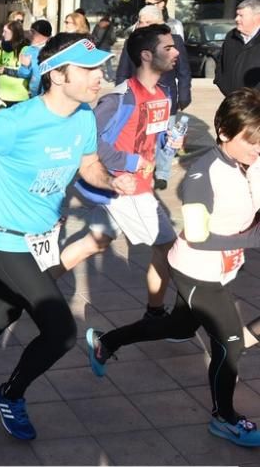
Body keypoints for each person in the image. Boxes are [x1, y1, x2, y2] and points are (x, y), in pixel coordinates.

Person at [0, 34, 135, 440]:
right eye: (89, 69)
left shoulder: (82, 117)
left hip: (44, 238)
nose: (100, 77)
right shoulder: (14, 122)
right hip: (6, 238)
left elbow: (89, 167)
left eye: (99, 68)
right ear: (57, 74)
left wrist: (115, 180)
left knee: (5, 310)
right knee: (60, 331)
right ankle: (10, 394)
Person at [86, 89, 260, 446]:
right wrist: (251, 239)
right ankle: (224, 418)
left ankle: (107, 341)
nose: (258, 148)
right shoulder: (203, 176)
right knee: (229, 344)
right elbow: (199, 238)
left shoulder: (250, 164)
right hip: (196, 269)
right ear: (225, 132)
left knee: (178, 324)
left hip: (223, 268)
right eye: (251, 140)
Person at [60, 24, 183, 320]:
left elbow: (156, 140)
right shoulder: (119, 98)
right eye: (167, 47)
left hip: (139, 186)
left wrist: (172, 142)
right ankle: (155, 314)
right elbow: (91, 144)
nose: (176, 52)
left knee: (95, 242)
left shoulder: (165, 94)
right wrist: (130, 163)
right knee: (170, 248)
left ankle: (35, 288)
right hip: (124, 190)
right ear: (146, 55)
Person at [115, 5, 193, 190]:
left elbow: (183, 71)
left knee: (166, 137)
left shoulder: (174, 41)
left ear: (160, 23)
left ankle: (162, 174)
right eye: (141, 21)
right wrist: (120, 93)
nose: (142, 25)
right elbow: (122, 71)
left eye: (147, 22)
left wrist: (184, 95)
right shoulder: (132, 42)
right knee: (139, 136)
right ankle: (139, 168)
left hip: (166, 98)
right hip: (138, 97)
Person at [215, 0, 260, 96]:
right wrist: (225, 87)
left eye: (241, 15)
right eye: (237, 15)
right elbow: (221, 65)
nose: (236, 19)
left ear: (256, 17)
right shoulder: (231, 37)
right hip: (234, 101)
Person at [0, 20, 53, 99]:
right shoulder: (30, 49)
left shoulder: (54, 49)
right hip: (34, 95)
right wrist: (25, 66)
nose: (30, 34)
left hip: (49, 94)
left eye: (5, 31)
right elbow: (24, 74)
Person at [0, 22, 30, 108]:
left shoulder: (25, 49)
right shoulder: (4, 47)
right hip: (3, 96)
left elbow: (26, 73)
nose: (3, 34)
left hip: (19, 97)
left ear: (14, 33)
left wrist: (6, 70)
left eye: (5, 32)